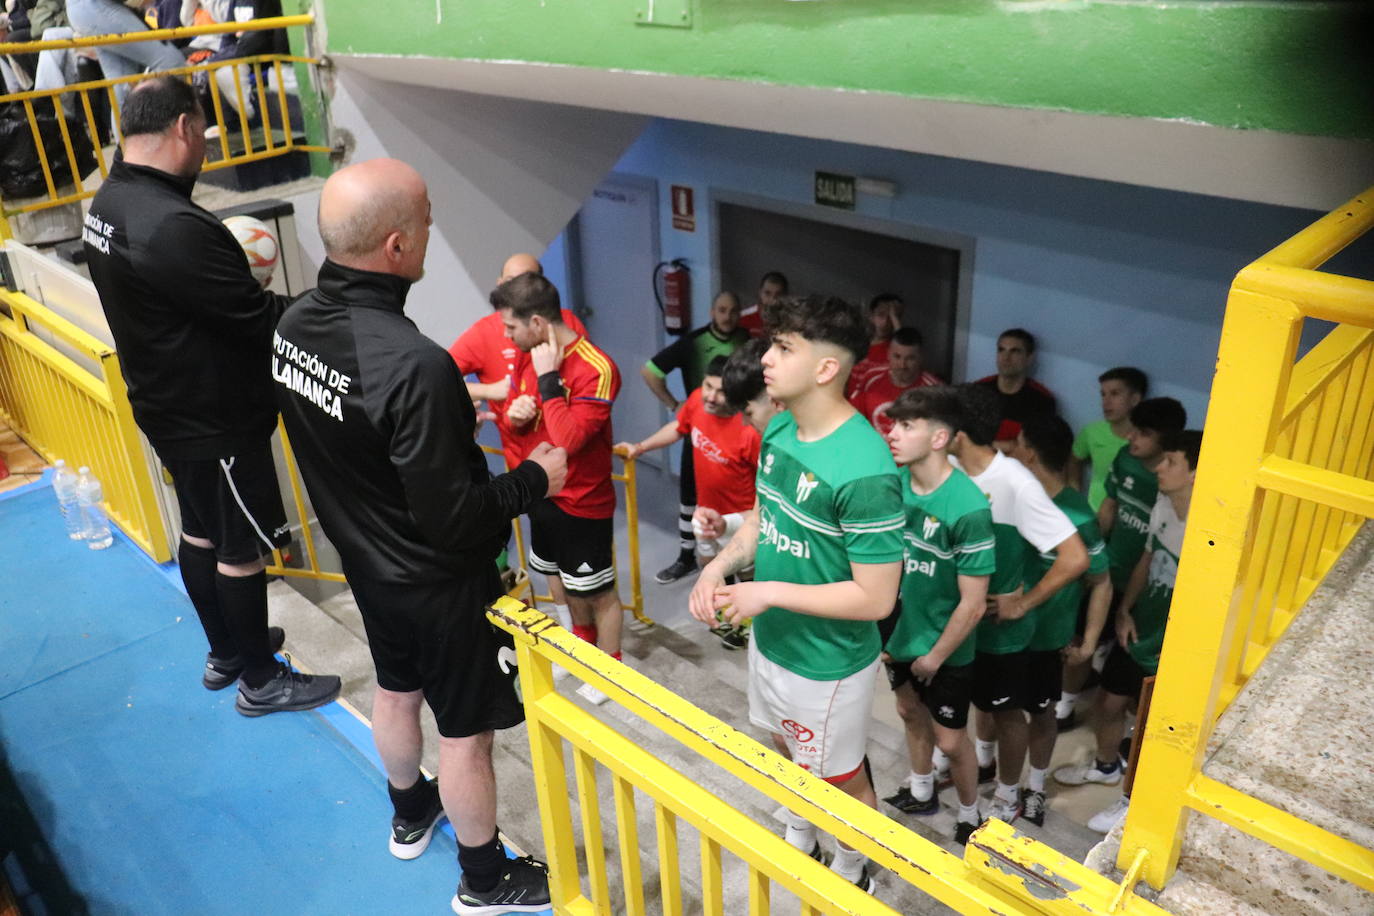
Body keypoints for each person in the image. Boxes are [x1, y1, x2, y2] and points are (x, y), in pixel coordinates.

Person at [273, 157, 565, 914]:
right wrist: (540, 478)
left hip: (367, 566)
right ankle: (483, 878)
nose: (435, 223)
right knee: (467, 734)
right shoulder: (416, 367)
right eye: (428, 214)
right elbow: (460, 516)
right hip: (439, 586)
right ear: (397, 247)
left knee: (397, 691)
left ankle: (410, 812)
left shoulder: (294, 324)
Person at [82, 76, 340, 714]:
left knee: (199, 531)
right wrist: (333, 310)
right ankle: (260, 678)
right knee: (239, 549)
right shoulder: (172, 225)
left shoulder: (107, 202)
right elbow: (257, 320)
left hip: (163, 402)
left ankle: (227, 649)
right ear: (184, 129)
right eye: (203, 131)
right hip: (211, 413)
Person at [690, 295, 903, 893]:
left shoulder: (865, 468)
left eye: (785, 348)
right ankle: (805, 825)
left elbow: (876, 599)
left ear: (827, 369)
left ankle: (855, 860)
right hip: (774, 641)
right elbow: (764, 519)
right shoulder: (780, 425)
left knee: (841, 773)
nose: (767, 359)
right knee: (785, 744)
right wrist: (718, 568)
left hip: (828, 661)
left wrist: (767, 592)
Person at [945, 384, 1086, 826]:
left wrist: (1023, 603)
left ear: (958, 431)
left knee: (1008, 713)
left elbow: (1075, 558)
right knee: (973, 710)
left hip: (1003, 635)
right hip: (956, 624)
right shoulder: (948, 469)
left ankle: (1008, 797)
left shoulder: (1016, 483)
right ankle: (964, 772)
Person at [1055, 430, 1202, 835]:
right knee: (1107, 704)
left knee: (1155, 731)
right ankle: (1105, 767)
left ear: (1196, 472)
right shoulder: (1164, 506)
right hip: (1140, 628)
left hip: (1174, 646)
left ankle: (1131, 804)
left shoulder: (1211, 532)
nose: (1158, 467)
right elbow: (1146, 560)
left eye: (1170, 462)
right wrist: (1124, 609)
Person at [494, 272, 624, 707]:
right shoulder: (527, 355)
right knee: (558, 580)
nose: (508, 337)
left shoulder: (597, 368)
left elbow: (569, 442)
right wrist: (516, 414)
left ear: (536, 322)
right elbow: (522, 418)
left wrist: (549, 381)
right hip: (541, 494)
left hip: (584, 502)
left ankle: (609, 671)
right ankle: (579, 647)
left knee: (598, 593)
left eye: (512, 327)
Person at [879, 386, 994, 846]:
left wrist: (934, 657)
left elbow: (974, 604)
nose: (893, 434)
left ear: (940, 437)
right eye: (894, 424)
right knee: (908, 710)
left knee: (951, 740)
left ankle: (972, 815)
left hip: (946, 646)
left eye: (907, 426)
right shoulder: (896, 484)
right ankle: (922, 788)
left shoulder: (968, 506)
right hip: (899, 632)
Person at [1056, 397, 1187, 730]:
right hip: (1111, 572)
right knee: (1082, 637)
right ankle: (1065, 707)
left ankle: (1131, 729)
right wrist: (1093, 555)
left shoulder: (1176, 496)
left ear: (1166, 439)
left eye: (1142, 433)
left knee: (1132, 663)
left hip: (1147, 591)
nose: (1132, 438)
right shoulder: (1125, 460)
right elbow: (1109, 508)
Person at [618, 355, 761, 647]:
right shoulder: (696, 401)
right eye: (708, 385)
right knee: (711, 566)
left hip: (740, 519)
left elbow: (765, 483)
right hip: (705, 512)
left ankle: (748, 627)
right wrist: (641, 447)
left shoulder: (749, 430)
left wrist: (749, 521)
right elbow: (679, 428)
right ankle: (727, 618)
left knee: (747, 573)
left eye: (720, 391)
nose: (711, 395)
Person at [1012, 414, 1111, 827]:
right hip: (1000, 631)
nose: (1012, 450)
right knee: (993, 710)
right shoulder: (1009, 499)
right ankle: (986, 764)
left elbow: (1102, 581)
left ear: (1030, 453)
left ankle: (1034, 787)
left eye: (1017, 443)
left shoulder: (1078, 515)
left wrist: (1088, 642)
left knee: (1042, 715)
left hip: (1047, 639)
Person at [640, 290, 749, 584]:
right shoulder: (694, 350)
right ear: (713, 311)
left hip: (741, 506)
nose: (727, 316)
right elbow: (650, 371)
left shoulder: (748, 343)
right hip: (699, 444)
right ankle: (686, 559)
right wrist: (673, 408)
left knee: (745, 565)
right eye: (722, 310)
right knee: (692, 506)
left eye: (733, 310)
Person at [65, 0, 185, 129]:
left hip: (85, 10)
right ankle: (162, 127)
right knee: (171, 61)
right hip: (95, 7)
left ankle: (124, 144)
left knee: (123, 86)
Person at [1070, 367, 1148, 511]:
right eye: (1103, 394)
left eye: (1115, 394)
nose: (1106, 402)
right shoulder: (1091, 432)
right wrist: (1075, 494)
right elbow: (1074, 460)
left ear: (1135, 399)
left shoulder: (1148, 440)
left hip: (1129, 518)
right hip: (1094, 515)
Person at [848, 326, 943, 435]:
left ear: (921, 358)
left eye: (910, 358)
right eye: (897, 357)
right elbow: (853, 419)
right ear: (888, 354)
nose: (902, 365)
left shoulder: (934, 390)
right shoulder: (871, 378)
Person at [973, 328, 1057, 451]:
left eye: (1015, 351)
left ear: (1029, 358)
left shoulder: (1042, 400)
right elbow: (963, 437)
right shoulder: (978, 390)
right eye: (1001, 350)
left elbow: (1036, 449)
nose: (1006, 357)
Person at [846, 293, 903, 397]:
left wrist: (895, 318)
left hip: (877, 406)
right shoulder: (857, 343)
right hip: (853, 406)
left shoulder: (896, 350)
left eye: (891, 317)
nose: (886, 322)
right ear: (871, 316)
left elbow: (905, 346)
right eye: (881, 315)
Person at [736, 270, 788, 338]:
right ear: (760, 293)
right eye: (767, 293)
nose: (772, 300)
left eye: (778, 295)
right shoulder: (741, 318)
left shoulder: (792, 322)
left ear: (786, 296)